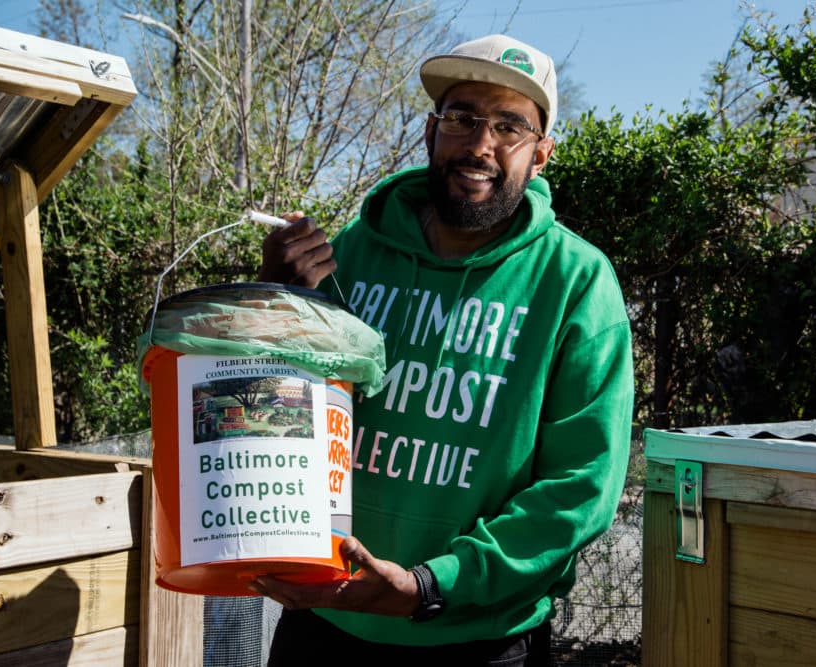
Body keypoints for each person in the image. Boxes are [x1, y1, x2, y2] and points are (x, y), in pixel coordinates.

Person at [251, 34, 634, 666]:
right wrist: (277, 300)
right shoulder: (354, 252)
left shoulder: (577, 283)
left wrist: (428, 586)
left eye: (510, 126)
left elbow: (579, 488)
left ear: (541, 154)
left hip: (477, 638)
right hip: (324, 623)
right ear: (431, 133)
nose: (481, 144)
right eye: (462, 119)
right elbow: (279, 408)